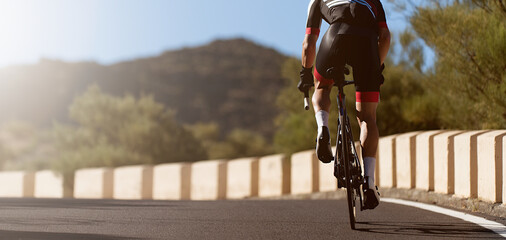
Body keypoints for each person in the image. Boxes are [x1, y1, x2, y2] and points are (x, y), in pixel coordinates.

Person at [297, 0, 390, 209]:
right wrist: (378, 67)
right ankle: (369, 181)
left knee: (322, 88)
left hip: (335, 37)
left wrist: (305, 74)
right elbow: (384, 37)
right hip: (366, 46)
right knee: (367, 118)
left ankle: (322, 127)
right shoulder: (373, 1)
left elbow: (308, 44)